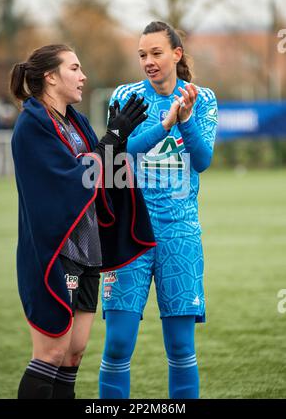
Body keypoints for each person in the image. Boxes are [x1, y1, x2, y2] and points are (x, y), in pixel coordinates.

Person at [10, 44, 156, 399]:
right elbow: (73, 180)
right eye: (74, 68)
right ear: (50, 77)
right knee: (52, 353)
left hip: (88, 251)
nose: (83, 76)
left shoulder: (75, 121)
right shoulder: (32, 125)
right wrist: (110, 140)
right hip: (56, 252)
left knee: (73, 355)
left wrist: (117, 144)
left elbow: (103, 175)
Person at [99, 21, 218, 399]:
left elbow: (201, 160)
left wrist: (185, 121)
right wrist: (166, 125)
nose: (148, 62)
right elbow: (117, 151)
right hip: (128, 231)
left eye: (156, 53)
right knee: (117, 344)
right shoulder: (125, 95)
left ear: (176, 54)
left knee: (182, 348)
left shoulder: (203, 98)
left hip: (179, 233)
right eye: (142, 55)